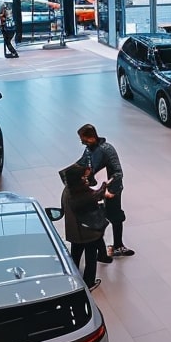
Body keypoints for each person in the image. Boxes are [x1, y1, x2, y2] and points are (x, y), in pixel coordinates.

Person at [76, 123, 132, 260]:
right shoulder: (89, 149)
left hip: (110, 191)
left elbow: (118, 172)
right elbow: (82, 163)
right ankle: (101, 252)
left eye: (83, 138)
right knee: (98, 219)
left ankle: (118, 245)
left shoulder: (107, 150)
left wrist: (110, 191)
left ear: (91, 137)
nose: (81, 141)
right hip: (94, 190)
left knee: (115, 216)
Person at [59, 162, 106, 290]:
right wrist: (103, 187)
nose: (85, 180)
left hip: (73, 232)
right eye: (83, 178)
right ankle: (89, 283)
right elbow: (95, 199)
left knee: (75, 255)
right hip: (87, 233)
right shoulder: (81, 196)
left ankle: (71, 277)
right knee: (91, 259)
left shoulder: (67, 191)